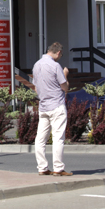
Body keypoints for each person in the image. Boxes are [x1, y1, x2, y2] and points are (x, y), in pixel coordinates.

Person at [32, 42, 72, 176]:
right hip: (56, 105)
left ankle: (42, 167)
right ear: (58, 52)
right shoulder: (55, 66)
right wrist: (65, 74)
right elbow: (64, 87)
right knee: (58, 138)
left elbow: (36, 88)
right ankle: (58, 168)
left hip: (43, 106)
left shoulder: (37, 65)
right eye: (61, 55)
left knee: (40, 139)